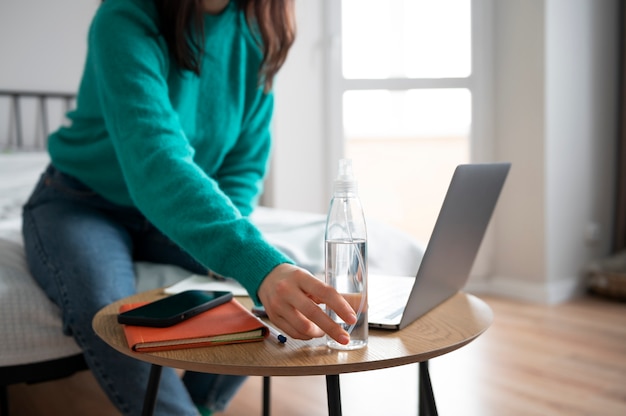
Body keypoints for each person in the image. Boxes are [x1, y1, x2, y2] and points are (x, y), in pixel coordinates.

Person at [21, 0, 356, 415]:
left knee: (272, 284)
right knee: (104, 305)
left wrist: (248, 262)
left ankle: (200, 407)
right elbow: (156, 162)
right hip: (82, 202)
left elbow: (242, 164)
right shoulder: (124, 18)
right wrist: (254, 262)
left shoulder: (256, 31)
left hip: (174, 210)